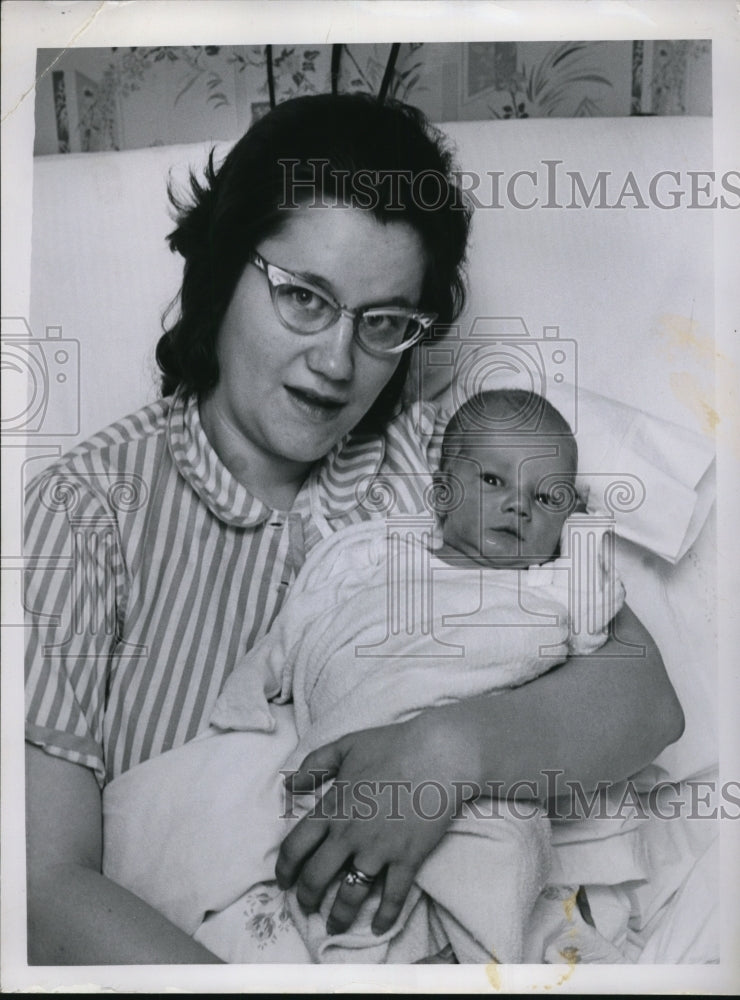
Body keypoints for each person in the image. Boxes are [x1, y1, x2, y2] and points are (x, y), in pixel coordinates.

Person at [24, 92, 683, 966]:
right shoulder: (87, 511)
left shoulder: (442, 468)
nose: (337, 362)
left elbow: (645, 699)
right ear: (221, 269)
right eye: (304, 297)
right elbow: (41, 889)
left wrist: (449, 752)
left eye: (383, 324)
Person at [101, 388, 627, 964]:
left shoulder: (551, 588)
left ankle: (459, 953)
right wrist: (252, 691)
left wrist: (582, 529)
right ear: (442, 492)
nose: (519, 506)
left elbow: (596, 615)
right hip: (353, 741)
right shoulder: (379, 558)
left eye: (546, 497)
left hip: (474, 785)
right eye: (494, 480)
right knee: (271, 817)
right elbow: (302, 623)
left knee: (508, 840)